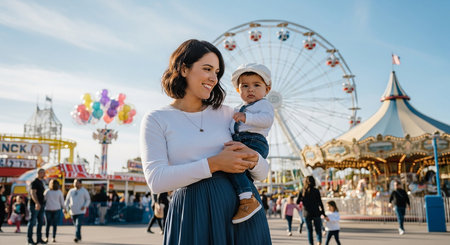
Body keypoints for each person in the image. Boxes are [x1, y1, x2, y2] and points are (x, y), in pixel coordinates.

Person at [140, 39, 271, 244]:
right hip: (193, 212)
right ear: (184, 69)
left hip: (241, 211)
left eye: (217, 72)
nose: (214, 78)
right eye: (207, 69)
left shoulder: (230, 114)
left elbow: (262, 173)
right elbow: (156, 180)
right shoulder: (157, 118)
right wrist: (215, 163)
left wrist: (253, 158)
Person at [228, 63, 274, 224]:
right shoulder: (237, 108)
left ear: (267, 89)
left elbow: (267, 120)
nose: (250, 89)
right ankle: (245, 197)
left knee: (235, 166)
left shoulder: (264, 104)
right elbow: (231, 126)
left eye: (256, 85)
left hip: (255, 140)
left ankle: (247, 198)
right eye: (245, 86)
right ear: (238, 90)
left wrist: (246, 118)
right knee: (238, 169)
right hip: (241, 139)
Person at [297, 176, 326, 245]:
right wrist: (323, 213)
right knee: (318, 229)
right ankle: (319, 241)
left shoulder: (302, 191)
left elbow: (297, 202)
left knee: (309, 230)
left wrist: (302, 199)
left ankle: (311, 243)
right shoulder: (316, 191)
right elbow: (320, 202)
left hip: (306, 213)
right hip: (316, 212)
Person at [28, 168, 47, 245]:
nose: (44, 174)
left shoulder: (41, 182)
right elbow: (33, 193)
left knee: (40, 223)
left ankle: (39, 239)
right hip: (35, 205)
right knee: (32, 222)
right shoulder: (34, 182)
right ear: (39, 173)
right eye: (43, 173)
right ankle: (30, 239)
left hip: (41, 205)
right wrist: (37, 203)